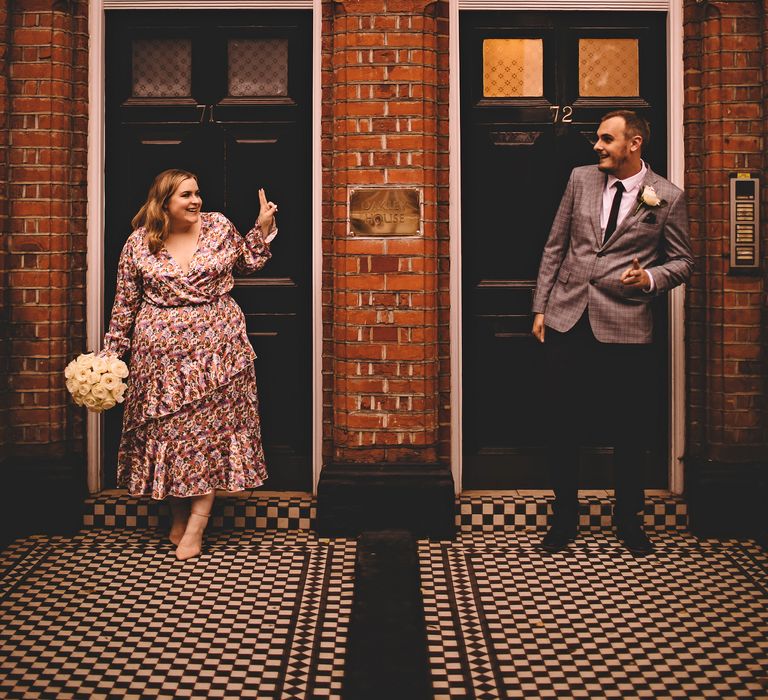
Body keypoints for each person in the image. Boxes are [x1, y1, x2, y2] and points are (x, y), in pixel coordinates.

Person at [531, 110, 693, 555]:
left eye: (606, 139)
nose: (597, 147)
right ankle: (564, 517)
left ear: (634, 143)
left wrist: (650, 280)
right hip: (568, 317)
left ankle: (629, 520)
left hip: (625, 323)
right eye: (598, 140)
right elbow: (555, 245)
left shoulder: (666, 197)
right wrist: (540, 307)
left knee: (629, 427)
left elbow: (683, 261)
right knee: (562, 422)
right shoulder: (580, 179)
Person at [102, 169, 278, 561]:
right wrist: (111, 355)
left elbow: (248, 262)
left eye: (198, 193)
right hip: (159, 361)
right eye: (186, 195)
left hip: (218, 355)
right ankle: (178, 514)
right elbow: (125, 303)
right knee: (171, 437)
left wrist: (262, 228)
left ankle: (197, 525)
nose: (196, 201)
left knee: (208, 438)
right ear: (164, 202)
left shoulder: (218, 227)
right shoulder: (139, 243)